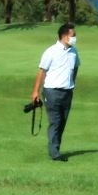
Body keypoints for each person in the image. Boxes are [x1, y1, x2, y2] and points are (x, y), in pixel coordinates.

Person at [30, 23, 81, 162]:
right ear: (65, 36)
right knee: (55, 121)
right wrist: (36, 91)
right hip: (52, 91)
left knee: (62, 121)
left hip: (67, 91)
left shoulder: (74, 52)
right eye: (73, 35)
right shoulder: (50, 51)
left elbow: (76, 67)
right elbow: (42, 71)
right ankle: (54, 152)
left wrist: (72, 82)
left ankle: (55, 147)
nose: (75, 38)